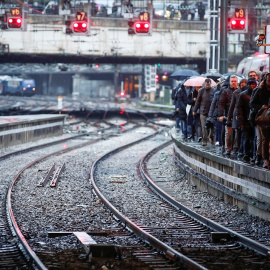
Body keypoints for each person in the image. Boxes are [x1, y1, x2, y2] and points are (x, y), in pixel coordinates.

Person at [250, 73, 270, 169]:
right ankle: (263, 158)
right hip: (262, 118)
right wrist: (261, 107)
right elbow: (252, 104)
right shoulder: (259, 90)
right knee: (263, 139)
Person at [236, 78, 257, 163]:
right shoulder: (243, 95)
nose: (252, 86)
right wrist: (241, 120)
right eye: (250, 84)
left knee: (253, 138)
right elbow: (239, 108)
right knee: (246, 137)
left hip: (254, 120)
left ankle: (252, 154)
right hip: (245, 119)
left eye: (253, 84)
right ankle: (246, 153)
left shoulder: (257, 94)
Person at [218, 75, 238, 155]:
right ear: (229, 82)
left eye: (235, 81)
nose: (233, 83)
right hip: (228, 115)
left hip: (237, 114)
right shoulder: (225, 91)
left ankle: (235, 148)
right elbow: (221, 103)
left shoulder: (238, 91)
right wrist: (221, 115)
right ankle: (228, 148)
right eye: (232, 81)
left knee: (236, 133)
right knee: (228, 133)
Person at [227, 78, 247, 155]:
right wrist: (229, 116)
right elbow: (232, 105)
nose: (243, 87)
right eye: (242, 85)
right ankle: (237, 148)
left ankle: (241, 149)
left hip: (245, 113)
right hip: (237, 113)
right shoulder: (236, 92)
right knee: (237, 132)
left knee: (243, 133)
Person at [193, 78, 215, 146]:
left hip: (211, 111)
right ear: (205, 84)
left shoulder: (213, 91)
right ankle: (204, 140)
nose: (207, 86)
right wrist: (195, 110)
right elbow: (198, 101)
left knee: (212, 126)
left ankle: (211, 136)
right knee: (204, 127)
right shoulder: (201, 91)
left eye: (209, 85)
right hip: (203, 111)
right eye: (206, 85)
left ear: (210, 84)